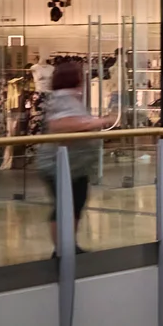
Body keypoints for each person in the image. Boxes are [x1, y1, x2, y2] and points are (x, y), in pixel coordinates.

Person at [40, 58, 106, 248]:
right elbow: (60, 125)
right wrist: (96, 123)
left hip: (74, 165)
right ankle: (63, 247)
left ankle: (68, 244)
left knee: (75, 204)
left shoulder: (68, 99)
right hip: (61, 165)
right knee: (65, 205)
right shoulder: (63, 99)